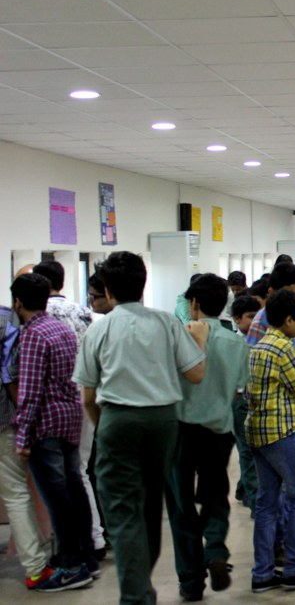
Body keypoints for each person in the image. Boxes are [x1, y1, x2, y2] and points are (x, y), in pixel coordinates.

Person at [74, 252, 208, 605]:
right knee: (150, 506)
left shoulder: (99, 329)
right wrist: (200, 341)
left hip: (118, 419)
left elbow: (88, 396)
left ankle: (135, 597)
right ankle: (141, 587)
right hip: (163, 422)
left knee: (122, 510)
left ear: (108, 290)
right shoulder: (166, 322)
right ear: (143, 284)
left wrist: (105, 428)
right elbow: (196, 373)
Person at [11, 273, 96, 591]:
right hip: (70, 418)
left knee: (58, 499)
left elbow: (30, 391)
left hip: (45, 425)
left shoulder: (33, 335)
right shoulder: (61, 328)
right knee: (74, 490)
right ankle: (86, 557)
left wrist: (22, 436)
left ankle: (71, 565)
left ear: (17, 302)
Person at [167, 274, 249, 600]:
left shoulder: (180, 338)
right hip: (218, 430)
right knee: (215, 494)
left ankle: (190, 582)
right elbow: (238, 390)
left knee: (181, 504)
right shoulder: (236, 342)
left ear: (193, 304)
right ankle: (215, 548)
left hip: (181, 430)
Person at [246, 289, 295, 593]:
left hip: (259, 432)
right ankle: (294, 567)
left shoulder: (258, 346)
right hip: (282, 432)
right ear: (289, 320)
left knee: (267, 504)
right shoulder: (284, 348)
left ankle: (263, 573)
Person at [0, 299, 52, 591]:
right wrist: (24, 420)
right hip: (2, 420)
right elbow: (10, 373)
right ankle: (35, 568)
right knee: (16, 494)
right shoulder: (6, 320)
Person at [230, 295, 261, 512]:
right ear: (237, 319)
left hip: (257, 399)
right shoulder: (234, 343)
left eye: (257, 317)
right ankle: (254, 498)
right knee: (247, 450)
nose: (255, 322)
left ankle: (243, 488)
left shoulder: (260, 340)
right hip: (241, 400)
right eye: (251, 317)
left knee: (253, 449)